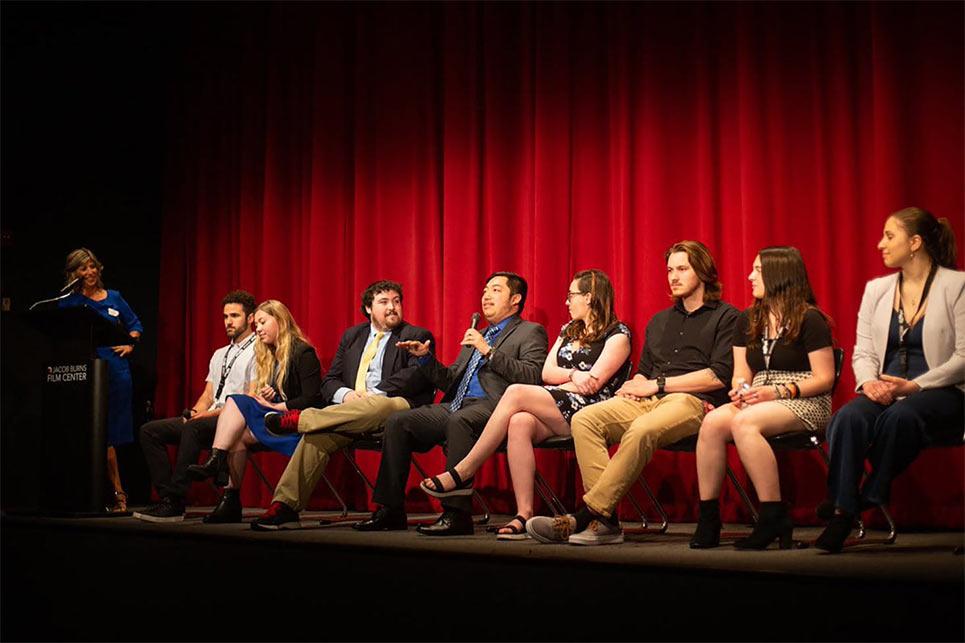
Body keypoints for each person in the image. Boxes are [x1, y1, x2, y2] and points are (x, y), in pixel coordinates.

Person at [527, 241, 739, 546]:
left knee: (641, 430)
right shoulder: (660, 321)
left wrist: (658, 385)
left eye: (682, 269)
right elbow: (645, 370)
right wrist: (632, 386)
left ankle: (585, 516)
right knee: (586, 419)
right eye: (669, 270)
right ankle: (608, 522)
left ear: (704, 273)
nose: (673, 276)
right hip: (648, 399)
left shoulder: (727, 317)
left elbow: (718, 376)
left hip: (692, 401)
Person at [419, 269, 632, 540]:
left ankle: (464, 470)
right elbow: (546, 372)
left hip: (593, 410)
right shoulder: (569, 330)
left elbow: (594, 384)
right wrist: (573, 375)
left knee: (516, 392)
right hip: (559, 402)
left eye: (571, 296)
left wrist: (570, 380)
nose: (566, 303)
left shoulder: (618, 334)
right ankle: (524, 514)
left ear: (589, 298)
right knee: (519, 421)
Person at [353, 271, 548, 535]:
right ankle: (391, 510)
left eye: (496, 290)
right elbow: (450, 381)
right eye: (485, 290)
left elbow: (531, 377)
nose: (486, 296)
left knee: (460, 421)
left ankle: (456, 514)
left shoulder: (529, 331)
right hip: (457, 403)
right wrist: (425, 358)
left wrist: (488, 351)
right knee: (399, 421)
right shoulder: (478, 334)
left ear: (515, 299)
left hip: (497, 406)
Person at [816, 207, 964, 553]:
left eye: (889, 236)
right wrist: (869, 383)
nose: (880, 244)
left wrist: (913, 386)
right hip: (887, 388)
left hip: (942, 389)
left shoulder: (956, 286)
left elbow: (962, 357)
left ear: (915, 243)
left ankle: (867, 492)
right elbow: (862, 351)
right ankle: (844, 510)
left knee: (903, 415)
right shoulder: (877, 290)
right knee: (848, 418)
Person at [248, 280, 436, 530]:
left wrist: (372, 393)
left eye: (396, 301)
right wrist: (346, 395)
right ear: (368, 308)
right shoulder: (353, 336)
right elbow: (330, 381)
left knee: (380, 406)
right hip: (350, 413)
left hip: (398, 407)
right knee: (318, 435)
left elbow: (414, 377)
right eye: (384, 302)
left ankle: (301, 420)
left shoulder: (416, 335)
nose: (392, 307)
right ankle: (285, 506)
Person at [690, 247, 835, 550]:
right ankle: (709, 518)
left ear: (779, 275)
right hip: (759, 396)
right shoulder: (748, 319)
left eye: (757, 270)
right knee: (713, 422)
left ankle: (772, 515)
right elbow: (741, 372)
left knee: (744, 423)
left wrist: (780, 392)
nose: (749, 276)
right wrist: (739, 390)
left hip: (803, 398)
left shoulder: (810, 319)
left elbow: (824, 378)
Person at [186, 299, 324, 522]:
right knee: (238, 436)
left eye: (262, 322)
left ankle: (216, 459)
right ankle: (230, 500)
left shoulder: (302, 352)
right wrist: (271, 394)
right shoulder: (270, 354)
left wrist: (277, 404)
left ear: (279, 320)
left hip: (299, 422)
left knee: (237, 400)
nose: (257, 329)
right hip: (276, 419)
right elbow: (282, 393)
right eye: (256, 324)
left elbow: (312, 398)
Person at [133, 290, 257, 523]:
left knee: (194, 429)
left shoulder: (258, 350)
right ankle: (166, 497)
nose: (228, 322)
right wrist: (195, 412)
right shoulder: (220, 353)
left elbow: (248, 397)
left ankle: (176, 501)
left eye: (234, 316)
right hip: (210, 416)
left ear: (250, 318)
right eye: (225, 316)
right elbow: (208, 394)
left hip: (237, 418)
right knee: (149, 430)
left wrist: (203, 417)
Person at [59, 248, 143, 513]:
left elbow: (136, 326)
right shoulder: (68, 303)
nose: (90, 272)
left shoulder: (114, 297)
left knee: (109, 434)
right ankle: (89, 493)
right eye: (83, 268)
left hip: (115, 371)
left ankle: (118, 495)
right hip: (82, 372)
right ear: (74, 274)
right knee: (86, 432)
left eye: (93, 266)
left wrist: (130, 345)